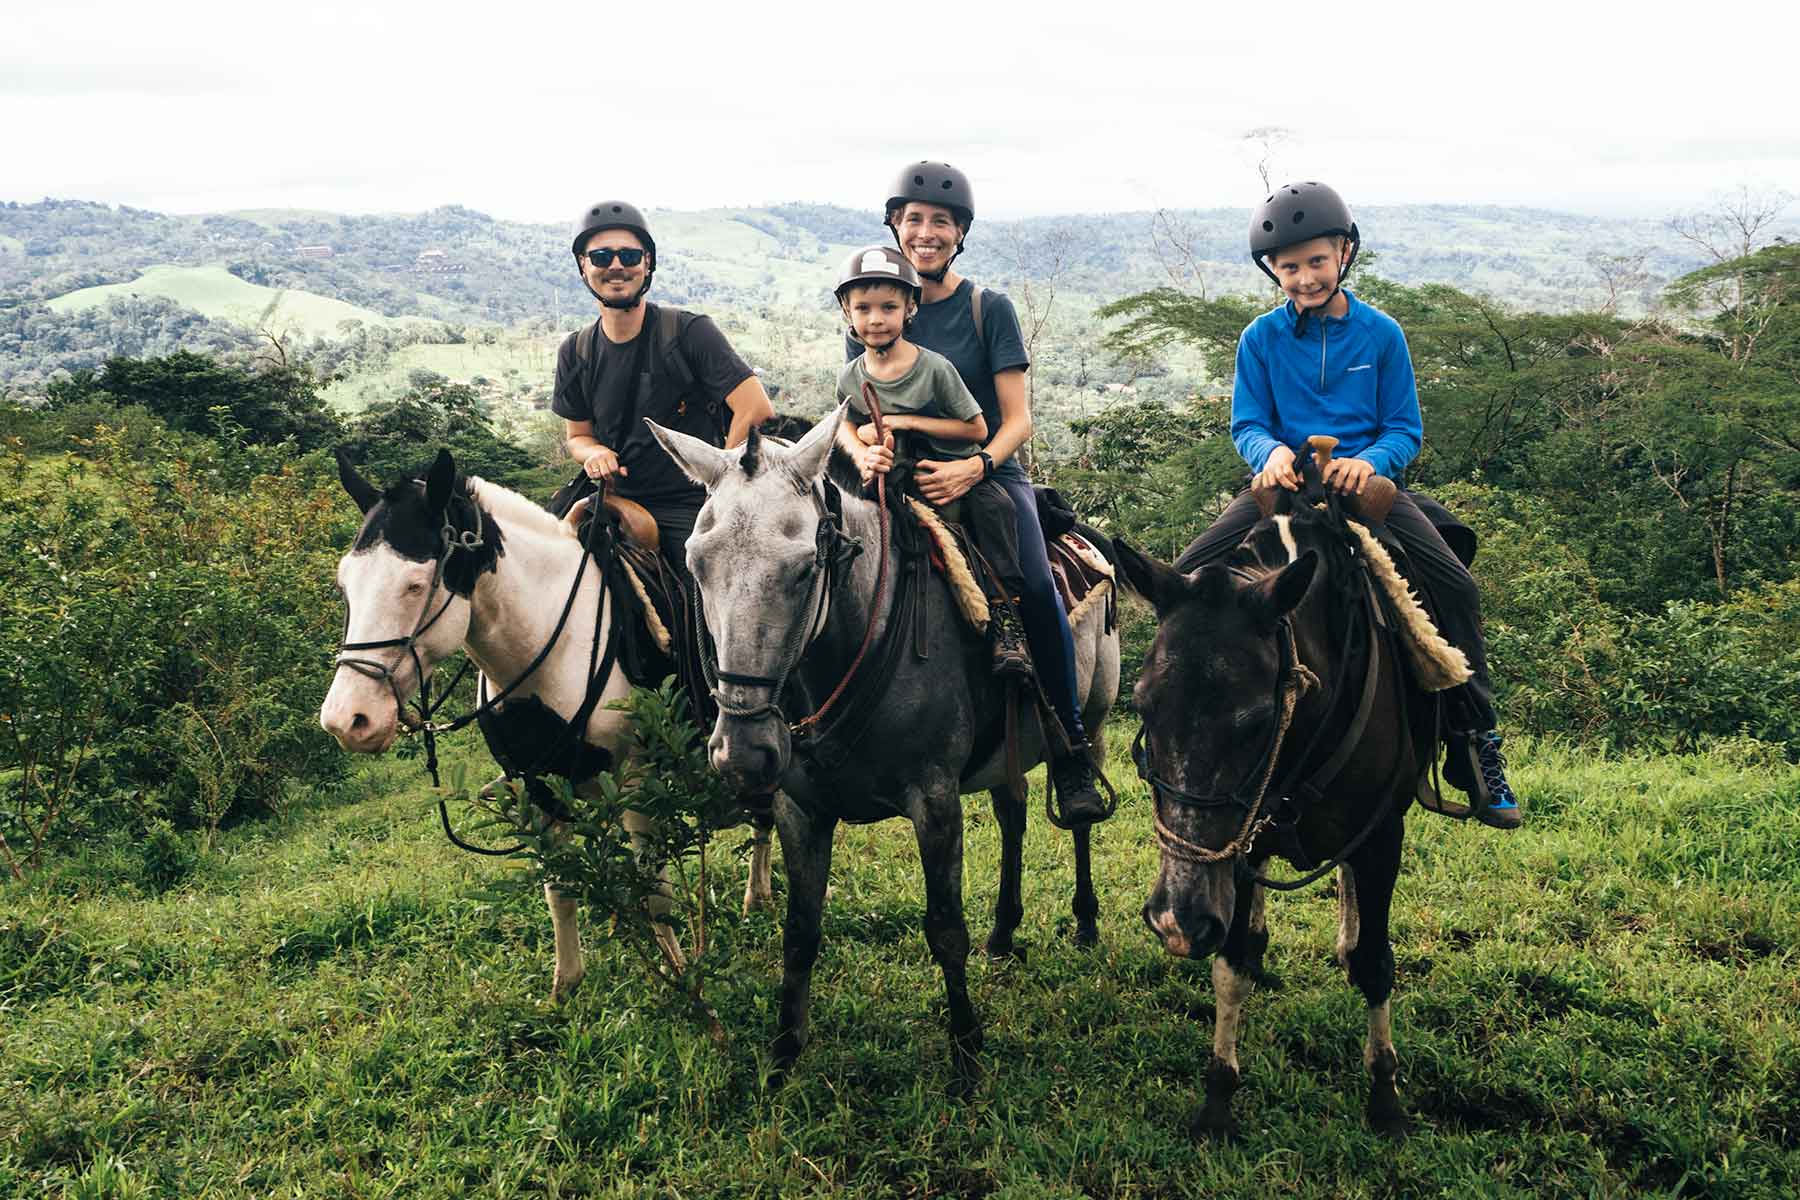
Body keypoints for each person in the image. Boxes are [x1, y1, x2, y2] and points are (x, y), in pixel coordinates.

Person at [1172, 181, 1522, 829]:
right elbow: (1248, 423)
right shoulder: (1261, 339)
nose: (1304, 277)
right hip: (1285, 485)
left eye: (1316, 261)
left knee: (1455, 586)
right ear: (1272, 271)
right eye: (1289, 266)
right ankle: (1186, 713)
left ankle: (1475, 742)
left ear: (1345, 254)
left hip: (1365, 491)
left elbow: (1403, 429)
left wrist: (1372, 463)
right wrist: (1267, 453)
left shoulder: (1381, 335)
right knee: (1186, 571)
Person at [858, 161, 1106, 824]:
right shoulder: (875, 303)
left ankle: (1069, 746)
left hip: (989, 474)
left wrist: (977, 466)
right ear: (895, 226)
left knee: (1031, 578)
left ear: (960, 232)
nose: (926, 232)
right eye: (913, 220)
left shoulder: (984, 309)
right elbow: (857, 413)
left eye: (940, 221)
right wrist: (867, 450)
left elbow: (1017, 418)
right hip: (901, 480)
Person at [830, 244, 1031, 676]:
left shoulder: (935, 368)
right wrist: (864, 450)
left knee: (994, 510)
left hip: (956, 470)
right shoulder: (852, 373)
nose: (876, 319)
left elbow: (976, 429)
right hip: (898, 477)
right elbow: (844, 420)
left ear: (909, 310)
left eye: (888, 307)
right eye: (863, 308)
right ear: (847, 313)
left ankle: (1005, 619)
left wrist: (903, 422)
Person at [552, 199, 773, 585]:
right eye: (602, 256)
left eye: (630, 255)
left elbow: (754, 408)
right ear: (583, 266)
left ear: (647, 264)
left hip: (686, 502)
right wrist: (595, 453)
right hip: (611, 496)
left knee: (703, 592)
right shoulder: (576, 351)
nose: (616, 266)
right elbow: (578, 435)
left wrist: (720, 483)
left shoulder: (687, 333)